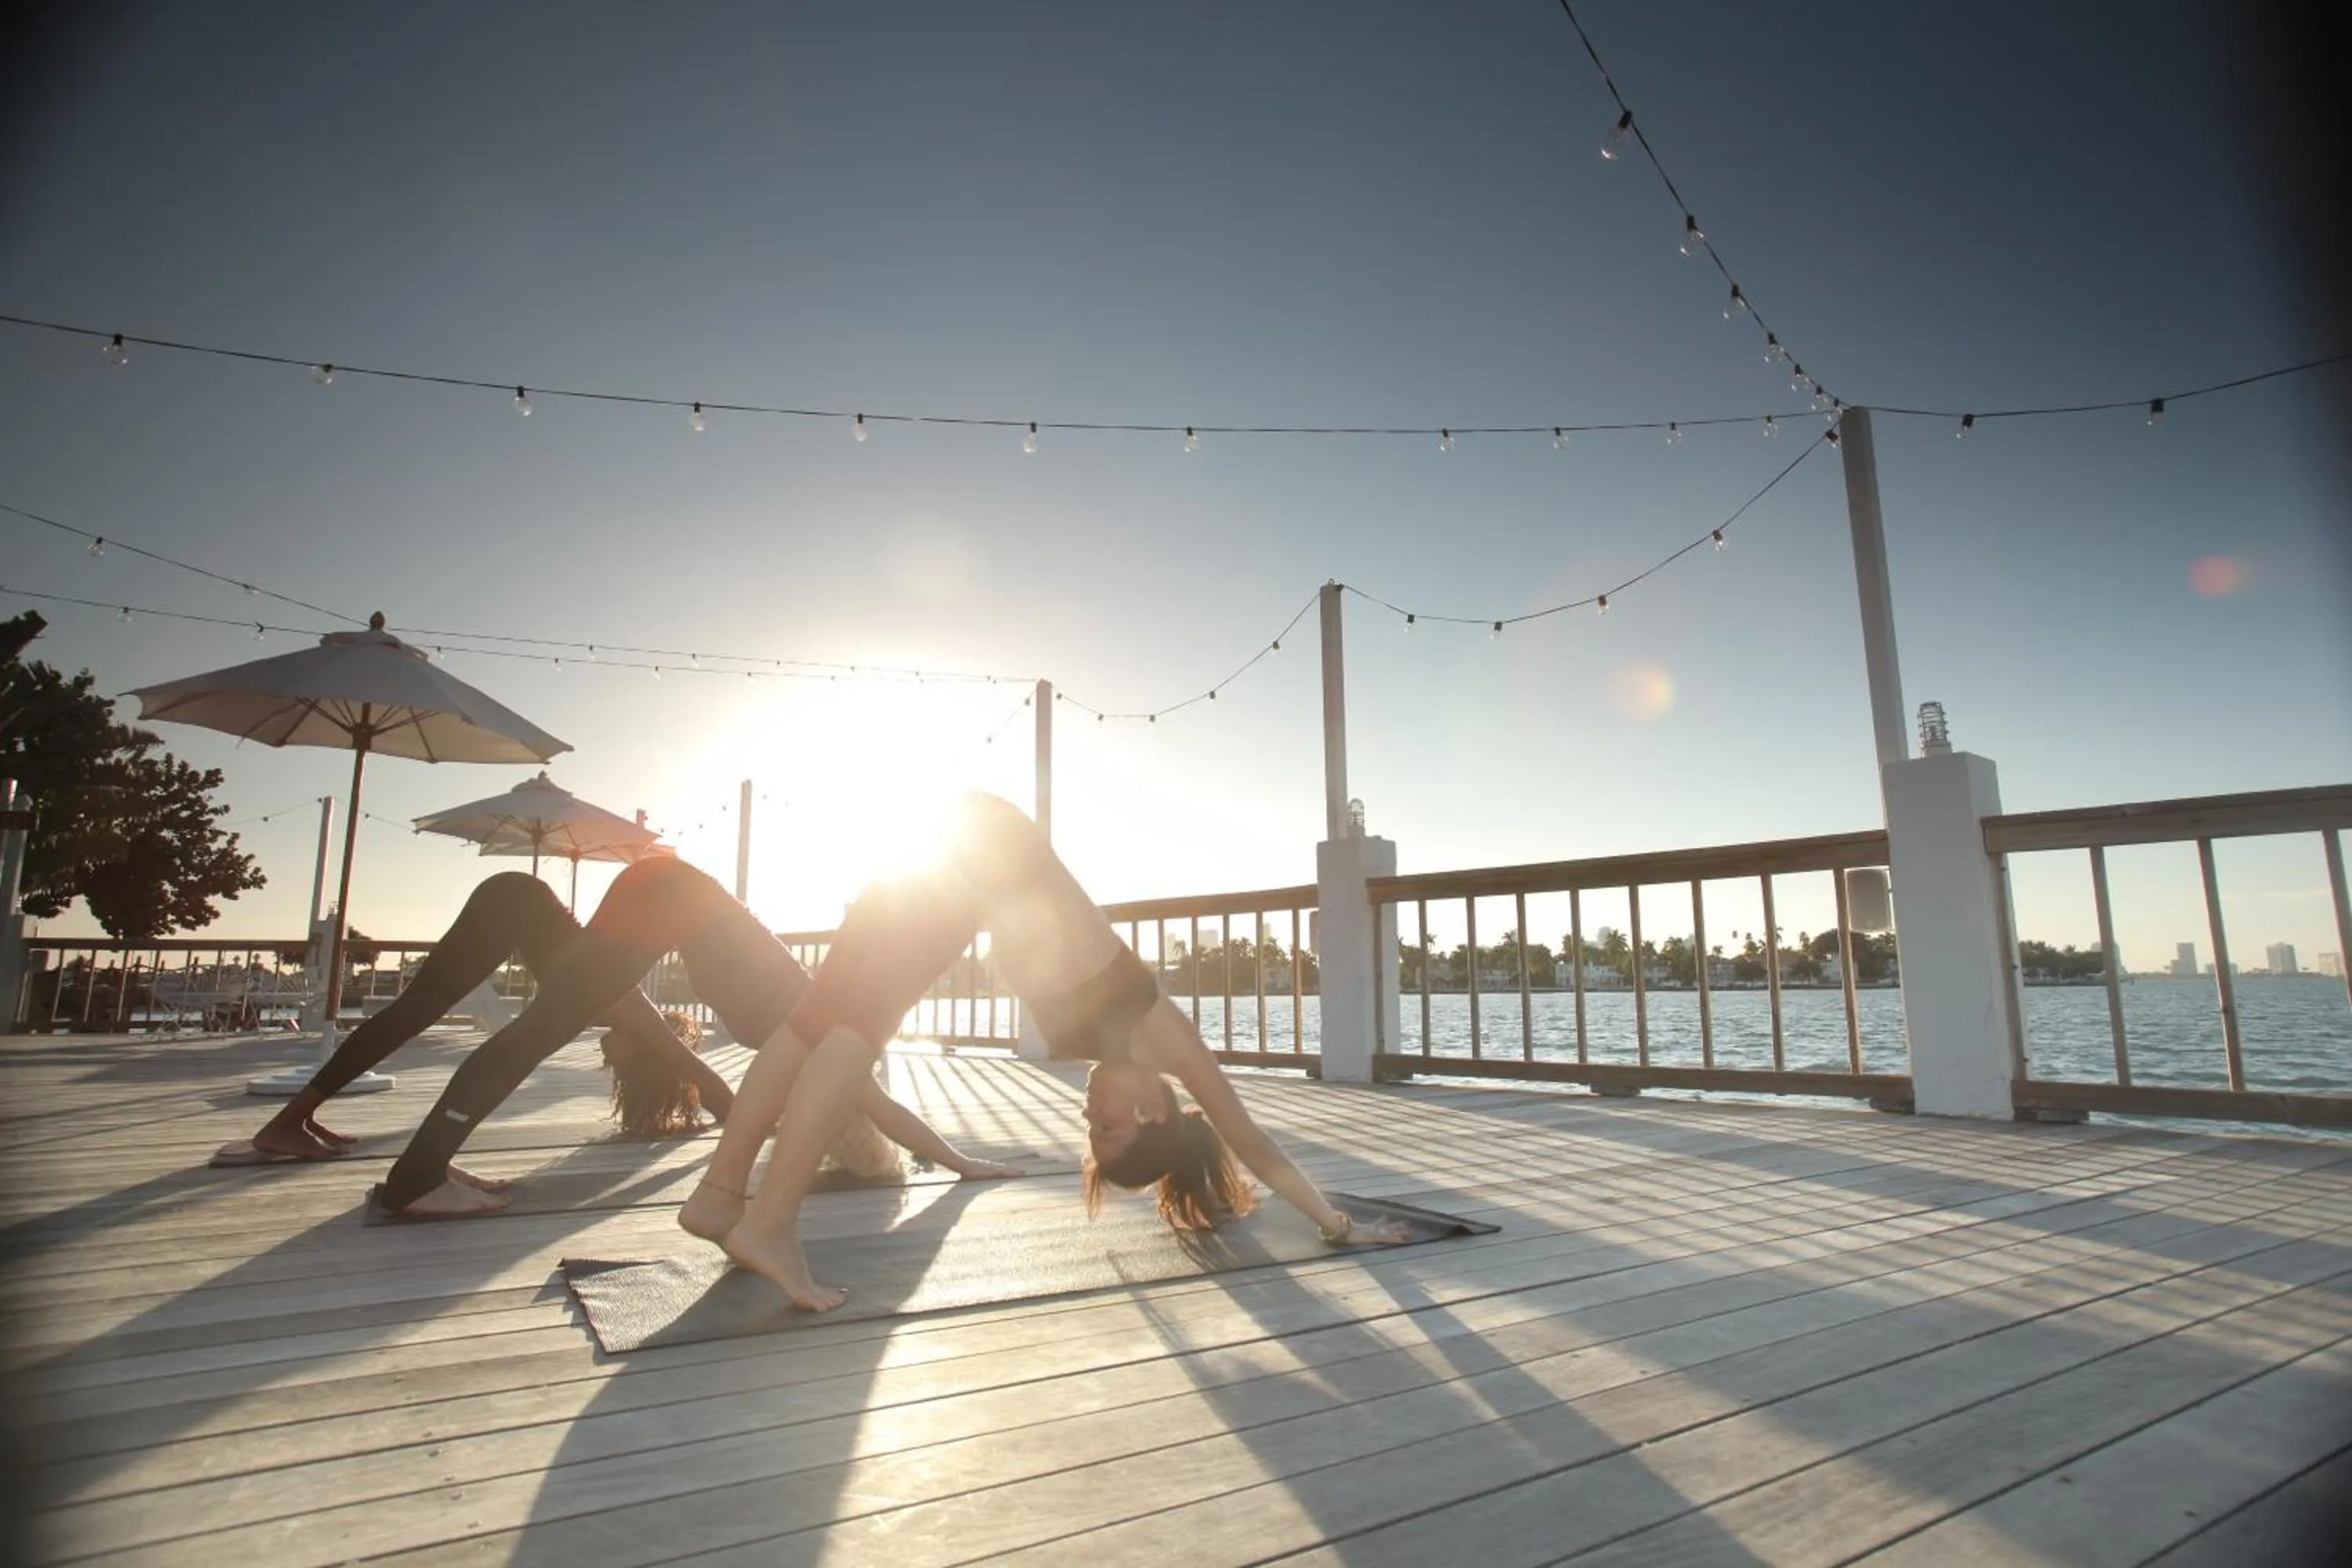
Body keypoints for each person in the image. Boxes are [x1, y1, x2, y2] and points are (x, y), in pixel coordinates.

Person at [681, 792, 1409, 1314]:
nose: (1090, 1116)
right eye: (1110, 1126)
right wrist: (1339, 1226)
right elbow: (1252, 1140)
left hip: (962, 854)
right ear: (1156, 1107)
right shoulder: (1163, 1037)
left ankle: (720, 1196)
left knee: (815, 1021)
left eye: (1092, 1133)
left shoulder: (1120, 1059)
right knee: (856, 1032)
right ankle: (770, 1222)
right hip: (979, 857)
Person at [236, 868, 1015, 1214]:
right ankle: (416, 1177)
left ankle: (358, 1144)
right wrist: (962, 1162)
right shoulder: (833, 1059)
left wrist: (945, 1160)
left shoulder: (814, 1049)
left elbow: (864, 1115)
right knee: (546, 1025)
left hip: (646, 890)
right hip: (670, 896)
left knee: (507, 1016)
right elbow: (888, 1114)